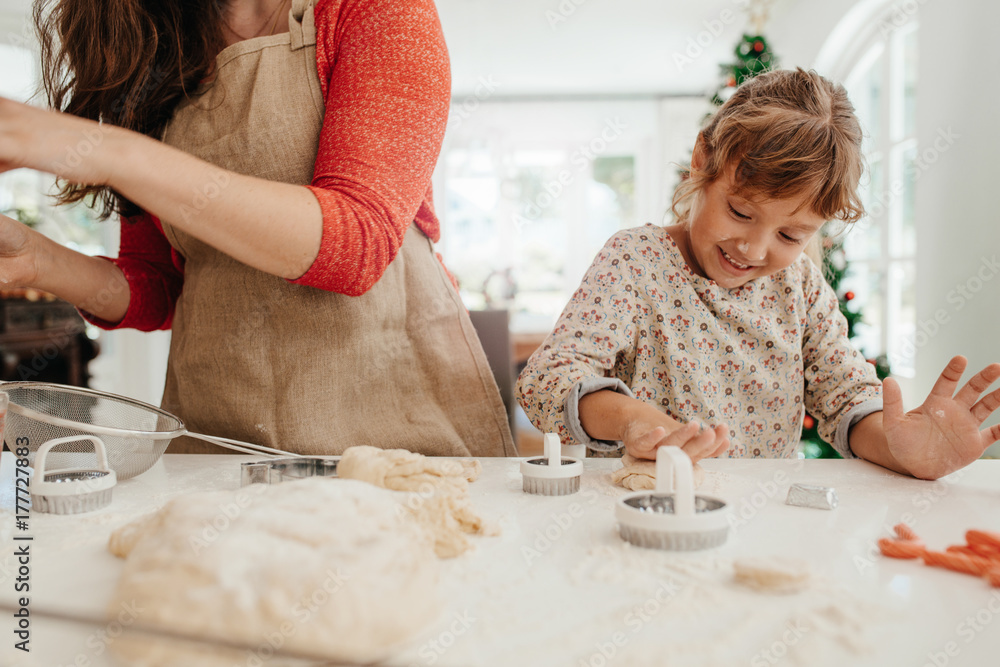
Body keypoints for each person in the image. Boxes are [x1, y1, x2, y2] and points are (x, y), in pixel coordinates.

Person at [0, 0, 516, 457]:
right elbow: (161, 287)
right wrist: (39, 260)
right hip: (219, 439)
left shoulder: (375, 9)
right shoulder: (150, 55)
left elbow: (355, 243)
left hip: (397, 435)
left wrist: (108, 151)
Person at [516, 68, 1000, 480]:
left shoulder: (802, 287)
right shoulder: (637, 260)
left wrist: (902, 450)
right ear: (702, 161)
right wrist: (631, 422)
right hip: (643, 508)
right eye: (741, 212)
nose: (753, 248)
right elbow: (546, 379)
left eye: (791, 237)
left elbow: (846, 396)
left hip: (763, 523)